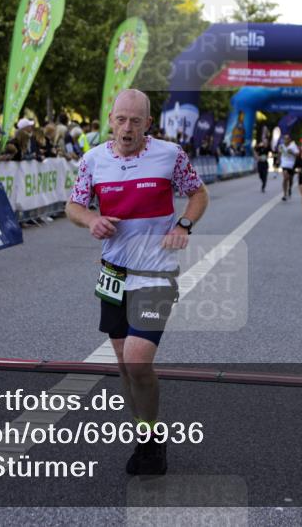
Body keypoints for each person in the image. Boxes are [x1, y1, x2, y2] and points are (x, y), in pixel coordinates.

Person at [65, 89, 208, 476]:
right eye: (121, 119)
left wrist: (184, 224)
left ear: (148, 123)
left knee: (137, 359)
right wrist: (91, 220)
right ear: (110, 120)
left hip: (155, 272)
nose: (127, 128)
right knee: (124, 366)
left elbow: (198, 194)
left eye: (135, 121)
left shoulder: (170, 156)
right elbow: (73, 205)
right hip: (114, 274)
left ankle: (150, 438)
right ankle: (145, 435)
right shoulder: (93, 160)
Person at [279, 135, 298, 201]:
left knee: (291, 179)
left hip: (292, 165)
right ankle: (284, 194)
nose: (286, 140)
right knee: (285, 178)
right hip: (284, 164)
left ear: (290, 139)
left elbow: (297, 154)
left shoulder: (293, 146)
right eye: (285, 139)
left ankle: (290, 188)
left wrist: (292, 152)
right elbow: (279, 153)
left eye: (287, 139)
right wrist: (278, 161)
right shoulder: (281, 146)